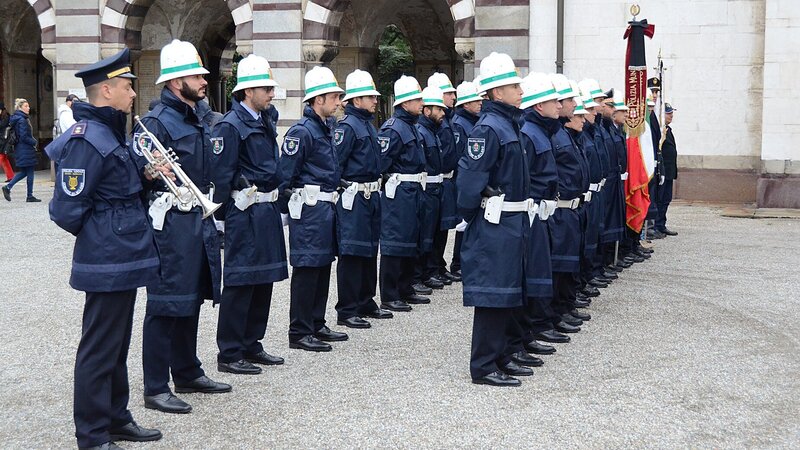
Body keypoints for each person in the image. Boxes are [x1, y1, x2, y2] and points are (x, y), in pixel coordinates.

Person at [46, 48, 163, 450]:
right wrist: (103, 233)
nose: (134, 93)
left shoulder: (112, 132)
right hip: (108, 258)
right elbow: (65, 209)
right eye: (128, 87)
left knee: (115, 344)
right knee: (99, 349)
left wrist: (147, 177)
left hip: (123, 255)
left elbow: (120, 189)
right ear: (107, 90)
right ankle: (93, 435)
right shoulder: (86, 139)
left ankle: (116, 418)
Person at [137, 39, 230, 415]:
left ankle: (187, 371)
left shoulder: (199, 116)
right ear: (177, 82)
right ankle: (156, 386)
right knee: (164, 304)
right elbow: (144, 173)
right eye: (196, 75)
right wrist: (148, 172)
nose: (204, 80)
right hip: (171, 223)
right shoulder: (158, 121)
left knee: (191, 296)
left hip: (197, 218)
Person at [458, 52, 532, 387]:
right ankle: (484, 365)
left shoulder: (507, 124)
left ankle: (501, 356)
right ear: (496, 93)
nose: (519, 89)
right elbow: (470, 182)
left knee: (507, 291)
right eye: (512, 85)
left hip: (510, 223)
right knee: (492, 294)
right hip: (495, 222)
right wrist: (477, 214)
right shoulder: (489, 129)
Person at [211, 55, 288, 375]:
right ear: (246, 92)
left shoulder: (263, 120)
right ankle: (230, 351)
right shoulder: (230, 126)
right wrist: (223, 217)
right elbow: (221, 173)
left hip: (266, 210)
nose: (271, 93)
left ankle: (252, 343)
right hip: (244, 212)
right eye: (264, 88)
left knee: (264, 279)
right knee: (241, 282)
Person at [279, 66, 348, 352]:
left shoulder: (326, 128)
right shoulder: (302, 132)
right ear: (318, 100)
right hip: (308, 209)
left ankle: (316, 323)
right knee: (308, 267)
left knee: (322, 266)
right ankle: (300, 330)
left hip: (325, 208)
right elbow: (286, 175)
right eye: (334, 97)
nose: (339, 102)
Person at [333, 69, 394, 328]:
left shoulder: (367, 125)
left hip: (370, 195)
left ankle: (366, 300)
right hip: (354, 196)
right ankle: (347, 308)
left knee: (369, 249)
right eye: (369, 97)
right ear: (356, 101)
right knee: (352, 252)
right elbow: (336, 164)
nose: (374, 101)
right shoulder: (347, 127)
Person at [517, 72, 570, 349]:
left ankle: (538, 325)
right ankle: (534, 327)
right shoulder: (529, 133)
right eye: (554, 101)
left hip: (544, 211)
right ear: (539, 106)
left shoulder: (541, 131)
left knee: (542, 270)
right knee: (533, 273)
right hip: (532, 212)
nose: (559, 106)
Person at [377, 75, 430, 312]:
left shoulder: (411, 126)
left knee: (411, 238)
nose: (421, 103)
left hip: (414, 190)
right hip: (398, 192)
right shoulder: (393, 128)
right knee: (394, 241)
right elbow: (381, 162)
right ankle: (390, 294)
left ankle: (405, 287)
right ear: (405, 103)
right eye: (417, 99)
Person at [546, 74, 588, 332]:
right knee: (558, 266)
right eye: (570, 100)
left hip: (571, 207)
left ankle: (564, 307)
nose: (573, 106)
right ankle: (554, 313)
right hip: (558, 210)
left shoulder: (563, 134)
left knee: (567, 263)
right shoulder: (556, 135)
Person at [413, 85, 450, 294]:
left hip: (436, 188)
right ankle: (418, 275)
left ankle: (429, 271)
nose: (443, 113)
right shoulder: (422, 131)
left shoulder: (431, 131)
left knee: (434, 234)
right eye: (439, 109)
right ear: (428, 111)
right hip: (426, 189)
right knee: (423, 235)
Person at [426, 72, 461, 286]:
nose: (453, 98)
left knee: (443, 227)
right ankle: (431, 267)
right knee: (433, 229)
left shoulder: (446, 121)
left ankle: (438, 266)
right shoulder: (436, 123)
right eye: (449, 93)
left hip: (446, 179)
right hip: (434, 181)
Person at [449, 80, 483, 278]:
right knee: (464, 224)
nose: (479, 103)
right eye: (475, 100)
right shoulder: (460, 124)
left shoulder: (472, 121)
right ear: (465, 104)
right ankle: (458, 263)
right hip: (463, 178)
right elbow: (461, 155)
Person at [2, 98, 41, 202]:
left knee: (24, 172)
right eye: (25, 106)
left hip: (21, 148)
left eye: (28, 106)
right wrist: (34, 142)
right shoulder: (22, 120)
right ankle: (29, 195)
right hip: (25, 148)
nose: (28, 108)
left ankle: (8, 187)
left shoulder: (17, 118)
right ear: (20, 107)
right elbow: (23, 136)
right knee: (30, 172)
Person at [656, 103, 678, 236]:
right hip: (662, 170)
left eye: (671, 113)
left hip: (669, 170)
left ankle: (662, 224)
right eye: (668, 113)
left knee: (666, 199)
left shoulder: (667, 130)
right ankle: (657, 225)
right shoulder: (659, 131)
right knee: (660, 198)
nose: (671, 115)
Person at [0, 102, 15, 182]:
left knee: (2, 158)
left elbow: (1, 126)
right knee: (4, 159)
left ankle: (11, 176)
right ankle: (11, 176)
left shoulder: (6, 117)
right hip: (2, 141)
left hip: (4, 141)